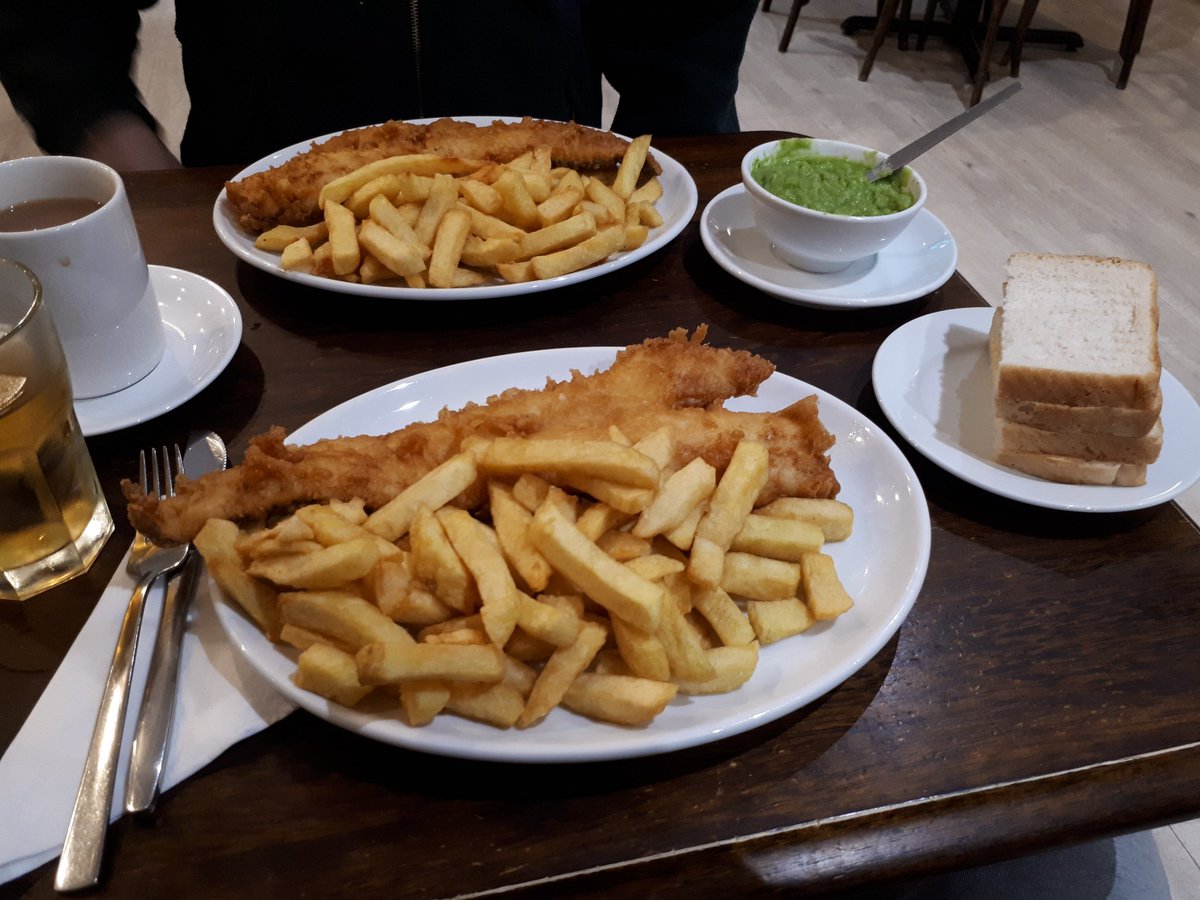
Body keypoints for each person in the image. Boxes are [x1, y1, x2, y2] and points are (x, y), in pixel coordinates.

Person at [0, 0, 757, 170]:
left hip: (549, 204)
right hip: (254, 202)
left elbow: (685, 24)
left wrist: (674, 148)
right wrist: (98, 120)